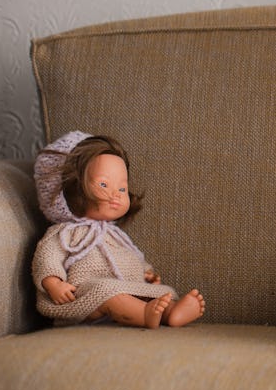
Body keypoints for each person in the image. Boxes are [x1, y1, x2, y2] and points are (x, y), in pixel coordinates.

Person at [32, 130, 206, 329]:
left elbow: (129, 255)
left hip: (125, 289)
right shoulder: (64, 234)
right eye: (104, 184)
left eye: (122, 189)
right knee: (108, 292)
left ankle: (171, 312)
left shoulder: (115, 235)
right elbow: (47, 257)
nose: (116, 195)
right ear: (69, 189)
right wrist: (53, 283)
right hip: (85, 298)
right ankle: (143, 314)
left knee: (155, 294)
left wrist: (147, 273)